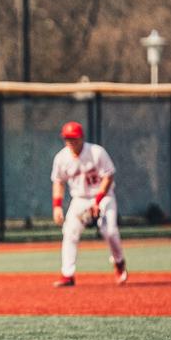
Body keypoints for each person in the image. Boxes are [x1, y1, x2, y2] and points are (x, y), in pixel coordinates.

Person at [50, 121, 127, 287]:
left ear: (81, 138)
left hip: (104, 196)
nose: (70, 142)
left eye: (73, 138)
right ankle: (67, 274)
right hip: (80, 199)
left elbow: (109, 176)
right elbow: (58, 182)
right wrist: (57, 206)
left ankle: (119, 262)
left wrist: (98, 201)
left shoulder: (96, 152)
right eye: (67, 139)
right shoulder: (61, 158)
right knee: (70, 232)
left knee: (110, 231)